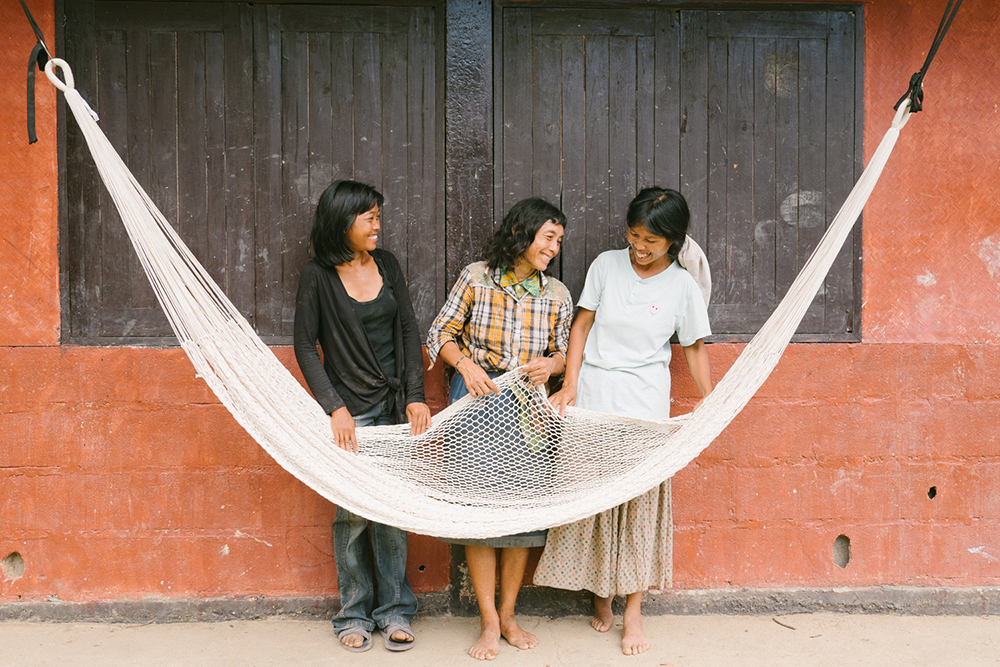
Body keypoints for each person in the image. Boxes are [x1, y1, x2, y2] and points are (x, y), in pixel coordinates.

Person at [533, 187, 713, 656]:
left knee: (638, 508)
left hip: (644, 411)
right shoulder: (606, 266)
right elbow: (583, 325)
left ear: (673, 240)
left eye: (651, 239)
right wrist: (569, 385)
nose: (640, 245)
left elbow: (693, 347)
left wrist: (711, 401)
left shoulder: (682, 287)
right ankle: (601, 594)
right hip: (593, 399)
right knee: (591, 499)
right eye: (634, 235)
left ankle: (632, 611)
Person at [427, 197, 574, 661]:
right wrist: (465, 366)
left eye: (558, 241)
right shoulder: (477, 277)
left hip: (529, 415)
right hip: (475, 408)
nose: (553, 248)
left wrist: (550, 365)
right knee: (479, 517)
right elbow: (440, 334)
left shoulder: (557, 294)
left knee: (521, 519)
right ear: (523, 233)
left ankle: (509, 615)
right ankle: (489, 621)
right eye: (548, 237)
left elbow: (564, 354)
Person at [293, 180, 431, 653]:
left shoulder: (387, 264)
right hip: (349, 415)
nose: (378, 224)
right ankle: (353, 613)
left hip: (394, 410)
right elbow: (305, 347)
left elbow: (410, 331)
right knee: (352, 516)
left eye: (378, 216)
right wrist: (335, 407)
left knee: (391, 513)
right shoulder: (317, 276)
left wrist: (416, 394)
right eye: (369, 217)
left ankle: (395, 610)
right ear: (342, 221)